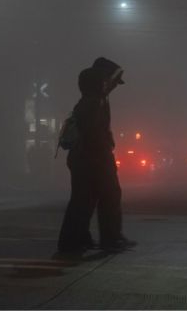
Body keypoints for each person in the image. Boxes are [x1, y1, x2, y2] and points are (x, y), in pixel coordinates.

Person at [56, 58, 135, 257]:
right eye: (114, 81)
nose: (116, 86)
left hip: (84, 158)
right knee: (108, 196)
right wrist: (104, 153)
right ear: (104, 80)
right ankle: (109, 239)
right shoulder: (95, 102)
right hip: (94, 158)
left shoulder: (88, 100)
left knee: (84, 200)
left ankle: (76, 241)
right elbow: (94, 133)